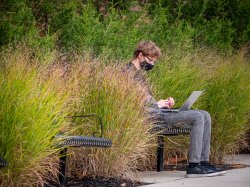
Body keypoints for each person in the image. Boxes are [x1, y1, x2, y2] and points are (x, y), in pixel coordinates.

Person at [125, 41, 226, 178]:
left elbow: (146, 99)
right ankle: (194, 166)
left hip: (158, 112)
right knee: (197, 117)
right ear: (140, 55)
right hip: (150, 117)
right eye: (150, 60)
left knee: (205, 114)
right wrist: (156, 105)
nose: (152, 64)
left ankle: (203, 162)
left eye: (154, 62)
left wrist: (163, 103)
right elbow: (131, 101)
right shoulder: (127, 73)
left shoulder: (140, 74)